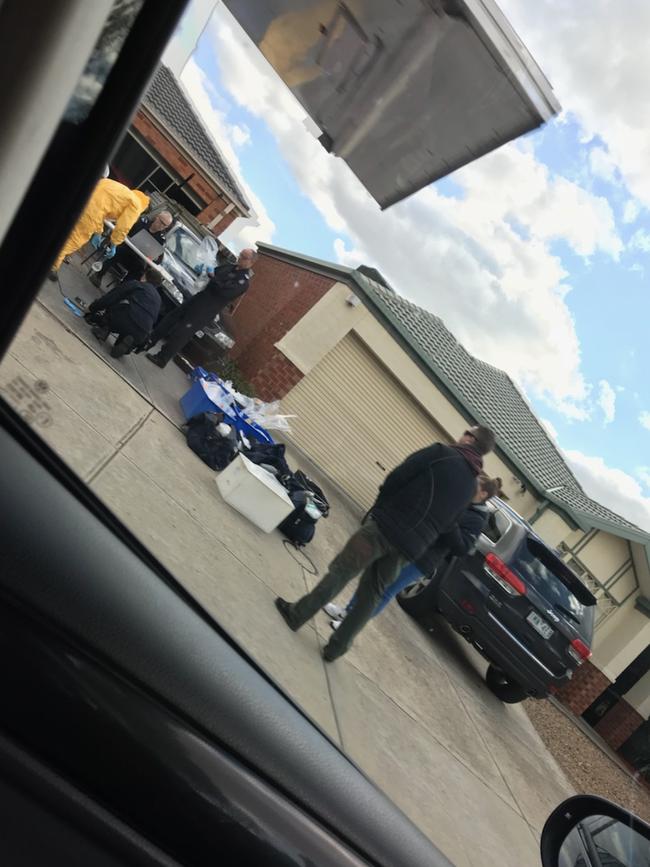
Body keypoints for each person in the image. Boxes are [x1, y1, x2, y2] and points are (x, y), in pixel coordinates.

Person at [275, 425, 496, 661]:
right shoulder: (471, 486)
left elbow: (399, 476)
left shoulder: (441, 452)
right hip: (410, 549)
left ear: (470, 438)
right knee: (373, 595)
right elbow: (450, 522)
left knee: (341, 572)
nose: (461, 433)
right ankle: (336, 649)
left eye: (466, 431)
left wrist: (380, 508)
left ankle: (297, 615)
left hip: (383, 529)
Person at [325, 474, 501, 628]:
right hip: (410, 545)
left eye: (475, 486)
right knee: (372, 581)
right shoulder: (462, 502)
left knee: (385, 591)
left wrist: (451, 524)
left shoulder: (477, 520)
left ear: (483, 494)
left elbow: (461, 548)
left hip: (423, 561)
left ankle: (349, 626)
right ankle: (346, 612)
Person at [144, 248, 257, 368]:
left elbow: (224, 292)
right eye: (240, 254)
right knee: (172, 317)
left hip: (206, 309)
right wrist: (205, 269)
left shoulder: (242, 282)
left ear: (251, 262)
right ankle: (150, 340)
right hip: (199, 298)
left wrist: (213, 277)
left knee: (182, 332)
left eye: (244, 257)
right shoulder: (229, 267)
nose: (240, 258)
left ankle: (162, 358)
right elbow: (214, 271)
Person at [49, 178, 150, 275]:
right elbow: (123, 227)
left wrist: (98, 232)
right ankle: (53, 266)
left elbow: (102, 208)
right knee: (75, 239)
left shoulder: (120, 189)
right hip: (90, 212)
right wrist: (114, 244)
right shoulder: (135, 205)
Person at [84, 266, 162, 358]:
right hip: (141, 333)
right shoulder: (158, 300)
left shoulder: (137, 284)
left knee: (120, 301)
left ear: (145, 277)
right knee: (133, 325)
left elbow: (112, 296)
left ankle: (105, 328)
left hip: (124, 319)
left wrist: (92, 308)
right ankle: (127, 345)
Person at [89, 209, 173, 287]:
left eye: (165, 226)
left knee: (139, 270)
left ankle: (121, 289)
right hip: (125, 248)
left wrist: (153, 257)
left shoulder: (161, 239)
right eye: (161, 222)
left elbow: (157, 258)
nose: (161, 226)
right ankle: (98, 275)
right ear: (157, 217)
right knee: (119, 251)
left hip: (137, 258)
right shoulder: (142, 222)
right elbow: (126, 231)